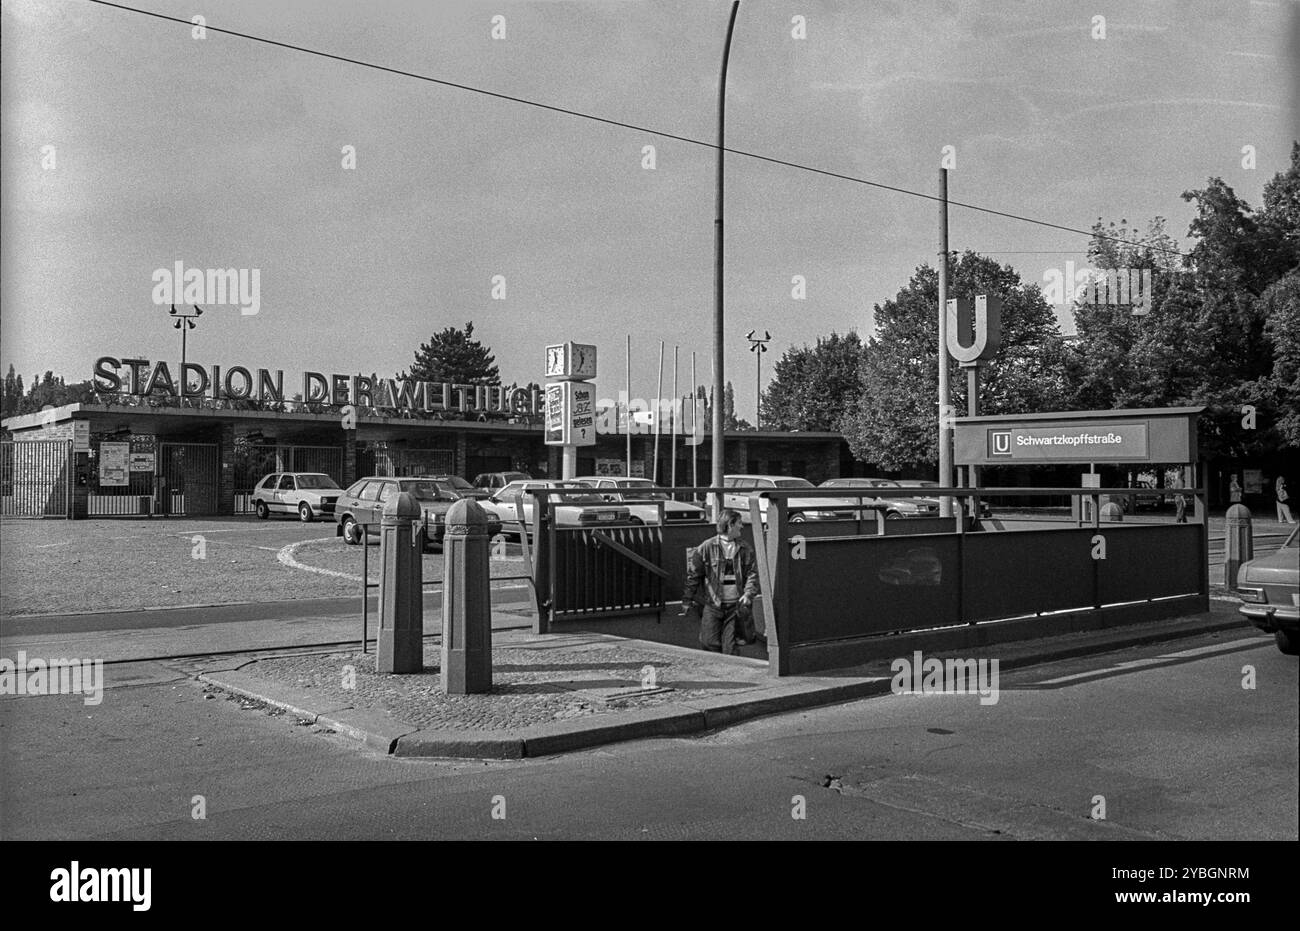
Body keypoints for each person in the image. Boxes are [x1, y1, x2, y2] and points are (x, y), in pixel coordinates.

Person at [680, 509, 760, 655]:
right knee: (708, 642)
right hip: (713, 604)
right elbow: (694, 575)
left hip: (735, 606)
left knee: (730, 647)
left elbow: (752, 574)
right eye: (739, 523)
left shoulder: (745, 549)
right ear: (730, 525)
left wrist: (748, 594)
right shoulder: (706, 547)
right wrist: (687, 599)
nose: (742, 526)